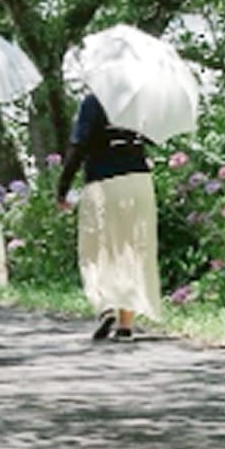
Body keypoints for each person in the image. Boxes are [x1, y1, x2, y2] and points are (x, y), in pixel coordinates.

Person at [55, 94, 159, 341]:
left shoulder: (94, 101)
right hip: (139, 182)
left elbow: (78, 146)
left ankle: (106, 307)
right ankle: (125, 326)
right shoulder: (139, 100)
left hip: (104, 182)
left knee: (96, 249)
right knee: (132, 249)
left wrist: (63, 186)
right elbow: (152, 137)